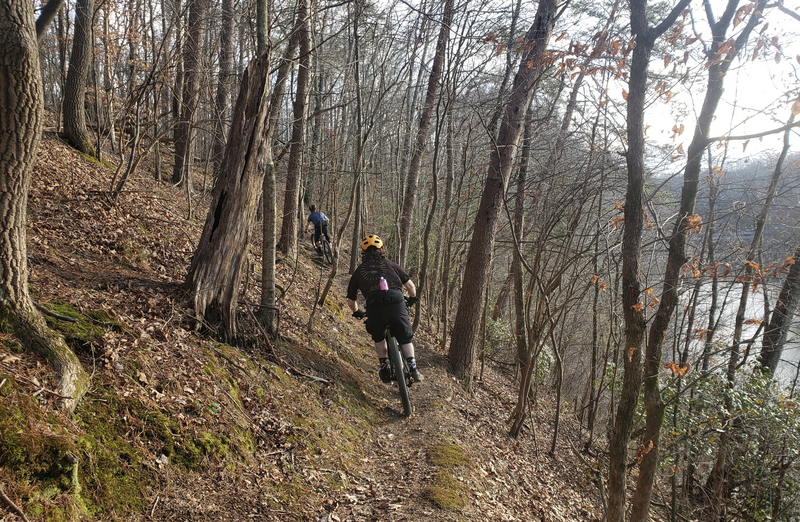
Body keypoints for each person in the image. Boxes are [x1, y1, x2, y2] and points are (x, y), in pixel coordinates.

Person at [346, 234, 423, 383]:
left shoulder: (359, 271)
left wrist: (357, 312)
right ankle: (413, 368)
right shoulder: (391, 265)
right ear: (382, 250)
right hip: (396, 301)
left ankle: (384, 368)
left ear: (363, 252)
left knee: (379, 337)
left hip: (375, 306)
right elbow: (411, 287)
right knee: (405, 338)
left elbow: (351, 301)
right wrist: (412, 298)